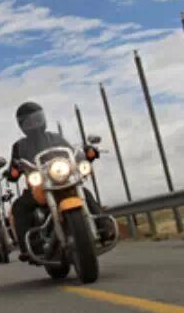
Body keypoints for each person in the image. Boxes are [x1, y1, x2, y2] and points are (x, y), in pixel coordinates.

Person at [6, 102, 108, 262]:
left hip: (62, 181)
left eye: (37, 118)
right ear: (22, 125)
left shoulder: (55, 138)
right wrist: (13, 170)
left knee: (85, 194)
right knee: (19, 207)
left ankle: (104, 228)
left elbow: (72, 153)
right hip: (39, 188)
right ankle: (28, 247)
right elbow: (14, 166)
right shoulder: (19, 146)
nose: (34, 123)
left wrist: (87, 153)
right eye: (29, 121)